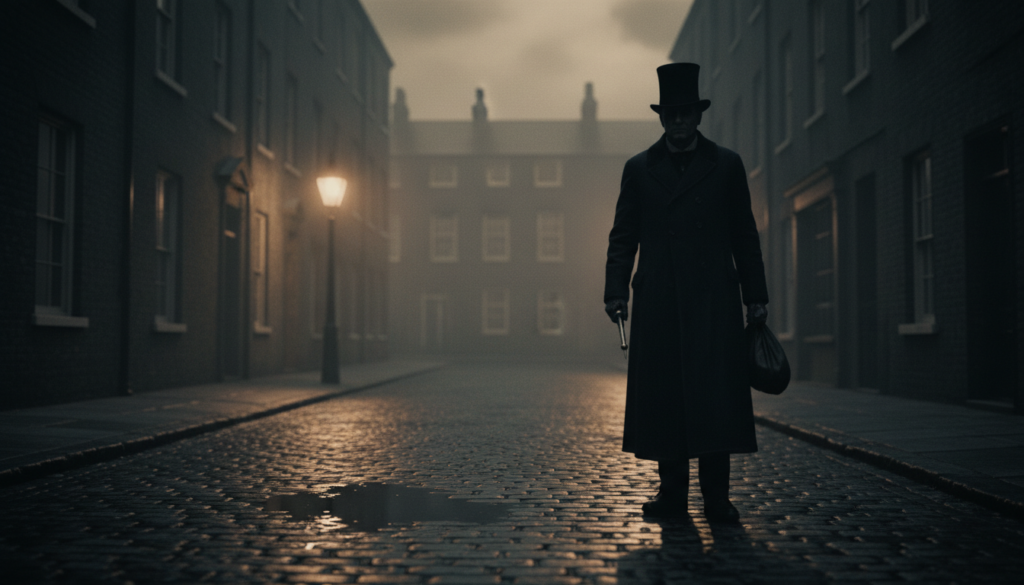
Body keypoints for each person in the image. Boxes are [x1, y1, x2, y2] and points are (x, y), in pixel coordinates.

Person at [604, 63, 768, 522]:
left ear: (698, 116)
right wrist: (615, 290)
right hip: (659, 300)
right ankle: (671, 494)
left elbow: (745, 235)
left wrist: (756, 295)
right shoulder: (638, 169)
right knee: (665, 400)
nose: (678, 122)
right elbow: (623, 236)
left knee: (715, 399)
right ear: (661, 118)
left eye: (686, 114)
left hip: (714, 300)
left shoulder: (727, 165)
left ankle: (717, 498)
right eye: (670, 114)